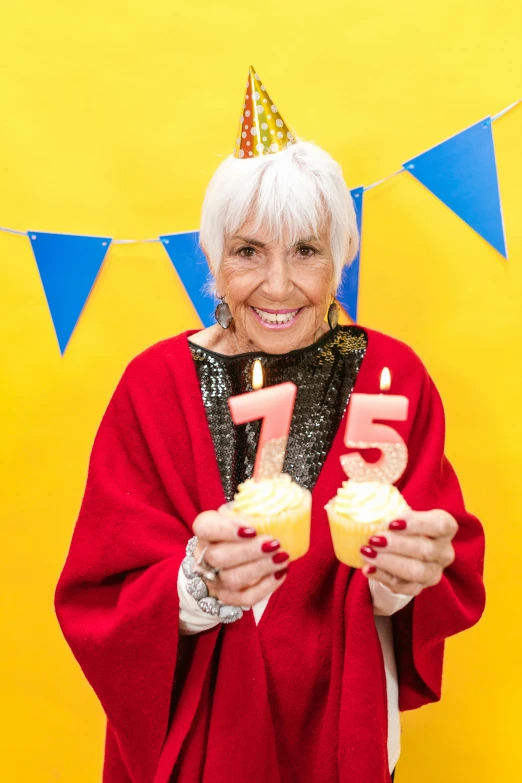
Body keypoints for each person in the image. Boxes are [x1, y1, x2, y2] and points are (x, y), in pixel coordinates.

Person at [54, 67, 486, 783]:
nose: (279, 285)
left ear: (340, 259)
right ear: (214, 264)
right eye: (249, 251)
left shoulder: (391, 376)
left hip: (337, 721)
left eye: (307, 251)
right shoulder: (153, 386)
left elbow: (446, 566)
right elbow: (99, 593)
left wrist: (406, 574)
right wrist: (196, 585)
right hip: (198, 739)